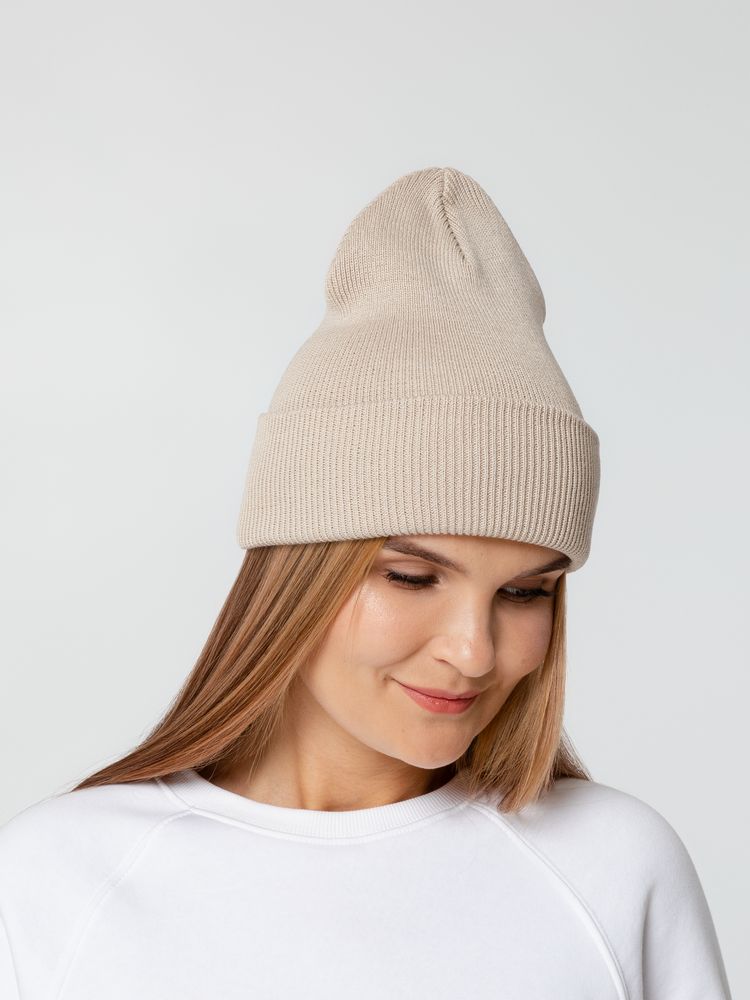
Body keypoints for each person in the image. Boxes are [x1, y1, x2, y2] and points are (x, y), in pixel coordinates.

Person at [0, 166, 733, 998]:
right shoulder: (59, 880)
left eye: (526, 592)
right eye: (413, 576)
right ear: (297, 574)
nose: (473, 651)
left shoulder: (613, 866)